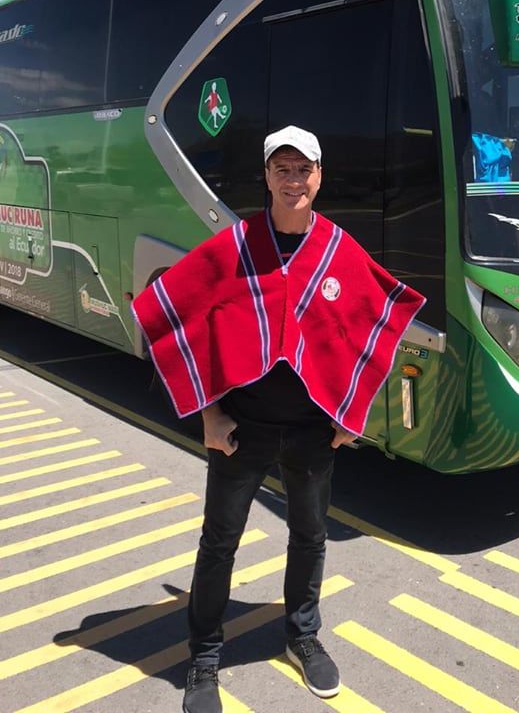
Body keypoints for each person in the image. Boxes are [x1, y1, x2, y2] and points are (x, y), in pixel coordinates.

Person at [132, 126, 425, 713]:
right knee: (220, 542)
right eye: (282, 169)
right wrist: (210, 414)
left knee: (310, 536)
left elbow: (374, 325)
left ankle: (302, 635)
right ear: (266, 177)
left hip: (314, 430)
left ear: (320, 177)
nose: (294, 180)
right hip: (242, 429)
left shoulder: (338, 249)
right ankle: (204, 657)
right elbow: (176, 310)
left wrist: (352, 414)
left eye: (303, 169)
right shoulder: (236, 246)